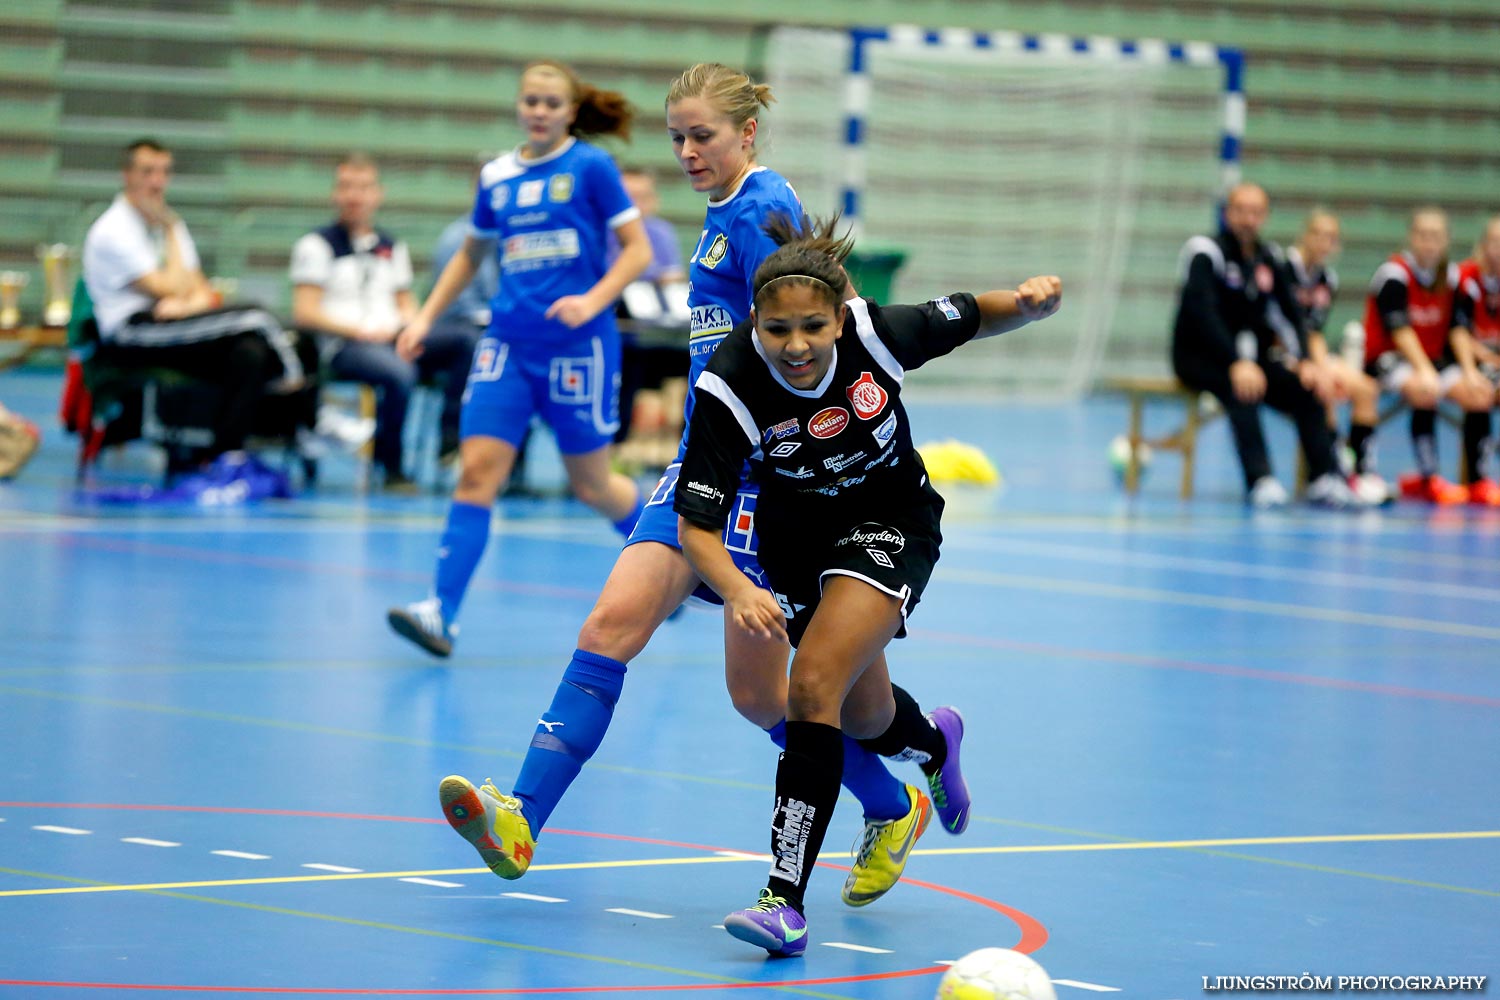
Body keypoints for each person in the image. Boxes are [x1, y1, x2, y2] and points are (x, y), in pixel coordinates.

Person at [435, 63, 947, 916]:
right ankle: (521, 817)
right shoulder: (719, 215)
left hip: (762, 477)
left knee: (761, 699)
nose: (686, 151)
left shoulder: (762, 208)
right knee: (609, 625)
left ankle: (894, 806)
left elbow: (837, 325)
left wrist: (837, 450)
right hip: (699, 463)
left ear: (747, 134)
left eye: (701, 135)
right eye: (676, 136)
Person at [674, 214, 1062, 955]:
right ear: (755, 319)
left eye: (812, 328)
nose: (796, 346)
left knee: (810, 685)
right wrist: (738, 589)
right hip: (796, 543)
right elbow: (697, 529)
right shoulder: (730, 387)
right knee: (865, 715)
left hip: (890, 521)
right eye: (778, 329)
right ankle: (933, 745)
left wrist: (1030, 302)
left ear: (836, 319)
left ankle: (782, 900)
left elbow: (973, 315)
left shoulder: (875, 335)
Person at [386, 60, 650, 655]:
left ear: (571, 111)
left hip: (578, 348)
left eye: (551, 103)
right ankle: (440, 613)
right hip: (506, 344)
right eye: (530, 100)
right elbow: (470, 255)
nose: (538, 111)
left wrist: (592, 300)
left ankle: (676, 559)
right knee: (477, 473)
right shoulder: (497, 175)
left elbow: (634, 252)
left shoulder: (591, 167)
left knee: (593, 487)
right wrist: (424, 318)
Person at [82, 138, 329, 468]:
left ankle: (225, 455)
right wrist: (171, 240)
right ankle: (308, 407)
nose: (157, 182)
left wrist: (185, 304)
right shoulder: (115, 229)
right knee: (255, 316)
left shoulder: (170, 222)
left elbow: (199, 289)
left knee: (250, 349)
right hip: (132, 333)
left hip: (174, 322)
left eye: (164, 172)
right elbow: (167, 286)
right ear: (127, 175)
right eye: (147, 172)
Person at [292, 154, 477, 493]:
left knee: (467, 340)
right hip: (347, 345)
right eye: (347, 187)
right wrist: (358, 331)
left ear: (378, 194)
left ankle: (449, 441)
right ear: (335, 194)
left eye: (363, 188)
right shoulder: (317, 245)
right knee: (399, 373)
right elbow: (305, 312)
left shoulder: (391, 247)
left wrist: (412, 327)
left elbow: (407, 303)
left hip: (392, 338)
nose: (355, 196)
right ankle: (391, 467)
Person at [1171, 183, 1362, 508]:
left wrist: (1305, 361)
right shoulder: (1205, 251)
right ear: (1228, 213)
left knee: (1306, 387)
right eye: (1241, 210)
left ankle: (1324, 479)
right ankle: (1260, 479)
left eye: (1255, 212)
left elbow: (1290, 313)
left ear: (1264, 216)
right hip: (1199, 358)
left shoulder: (1268, 257)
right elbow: (1201, 313)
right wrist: (1235, 361)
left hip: (1250, 360)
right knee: (1242, 388)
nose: (1248, 219)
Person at [1361, 207, 1494, 504]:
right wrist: (1424, 370)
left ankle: (1478, 481)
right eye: (1422, 235)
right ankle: (1427, 476)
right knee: (1426, 389)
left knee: (1480, 393)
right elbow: (1401, 331)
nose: (1428, 242)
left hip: (1432, 360)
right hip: (1387, 359)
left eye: (1435, 236)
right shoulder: (1393, 274)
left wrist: (1470, 371)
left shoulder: (1451, 278)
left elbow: (1458, 330)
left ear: (1446, 240)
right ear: (1411, 237)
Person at [1270, 209, 1389, 504]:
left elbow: (1315, 331)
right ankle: (1331, 471)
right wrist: (1309, 364)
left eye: (1331, 238)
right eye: (1318, 235)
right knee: (1323, 390)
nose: (1324, 243)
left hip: (1309, 352)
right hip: (1278, 354)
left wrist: (1321, 363)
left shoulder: (1326, 279)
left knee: (1365, 388)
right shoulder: (1281, 269)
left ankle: (1362, 471)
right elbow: (1274, 326)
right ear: (1304, 235)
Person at [610, 167, 690, 471]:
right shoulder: (603, 235)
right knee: (627, 362)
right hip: (622, 341)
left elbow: (673, 279)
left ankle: (690, 450)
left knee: (700, 364)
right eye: (627, 198)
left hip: (662, 337)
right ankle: (615, 449)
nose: (635, 205)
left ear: (653, 200)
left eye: (641, 197)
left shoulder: (662, 233)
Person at [428, 200, 499, 468]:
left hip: (495, 325)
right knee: (474, 345)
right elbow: (457, 304)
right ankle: (453, 437)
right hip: (456, 325)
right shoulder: (459, 238)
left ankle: (514, 461)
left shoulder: (512, 237)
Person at [1439, 213, 1500, 506]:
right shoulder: (1464, 277)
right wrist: (1477, 361)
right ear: (1484, 245)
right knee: (1482, 390)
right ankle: (1478, 479)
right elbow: (1457, 330)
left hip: (1491, 359)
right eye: (1496, 242)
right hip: (1456, 358)